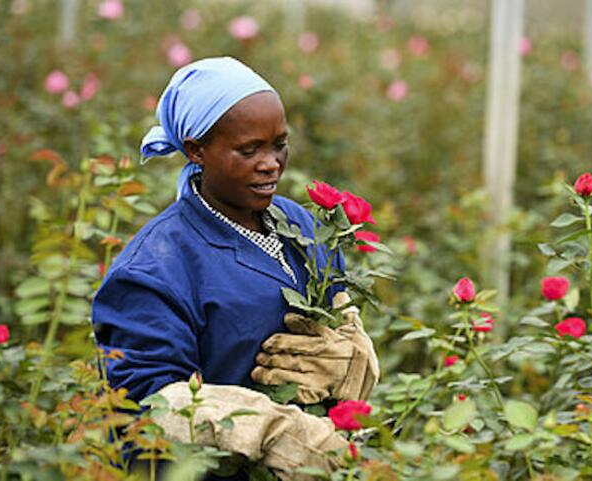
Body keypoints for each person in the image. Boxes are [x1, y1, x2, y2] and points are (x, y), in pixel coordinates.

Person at [91, 57, 379, 480]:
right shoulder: (155, 268)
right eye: (249, 150)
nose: (271, 163)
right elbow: (143, 404)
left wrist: (353, 360)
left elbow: (341, 315)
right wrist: (272, 431)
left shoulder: (300, 225)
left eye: (279, 143)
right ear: (196, 150)